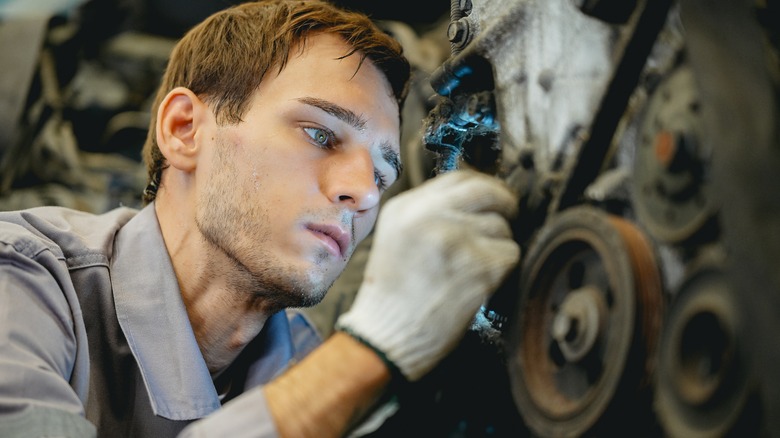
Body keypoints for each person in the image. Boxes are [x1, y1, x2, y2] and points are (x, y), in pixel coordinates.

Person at [0, 1, 520, 436]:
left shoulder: (307, 367)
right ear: (184, 130)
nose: (363, 193)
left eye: (383, 177)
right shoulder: (20, 279)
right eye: (320, 134)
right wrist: (370, 353)